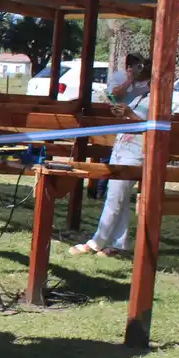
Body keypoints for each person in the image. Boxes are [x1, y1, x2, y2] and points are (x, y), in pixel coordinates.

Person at [70, 93, 149, 258]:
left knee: (114, 198)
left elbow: (151, 129)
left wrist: (130, 114)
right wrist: (122, 114)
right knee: (122, 199)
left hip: (135, 154)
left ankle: (96, 242)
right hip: (120, 149)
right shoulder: (138, 97)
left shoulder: (161, 102)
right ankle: (119, 244)